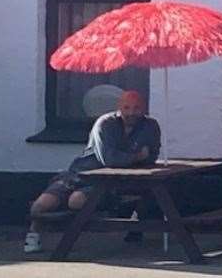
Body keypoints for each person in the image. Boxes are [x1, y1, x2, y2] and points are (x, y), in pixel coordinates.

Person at [24, 90, 161, 254]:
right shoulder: (105, 124)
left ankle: (70, 234)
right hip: (79, 172)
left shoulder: (150, 126)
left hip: (106, 182)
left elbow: (152, 155)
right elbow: (109, 160)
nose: (131, 112)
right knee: (43, 203)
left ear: (143, 108)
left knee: (76, 201)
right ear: (119, 107)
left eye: (136, 108)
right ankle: (34, 233)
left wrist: (130, 158)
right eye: (127, 107)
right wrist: (137, 156)